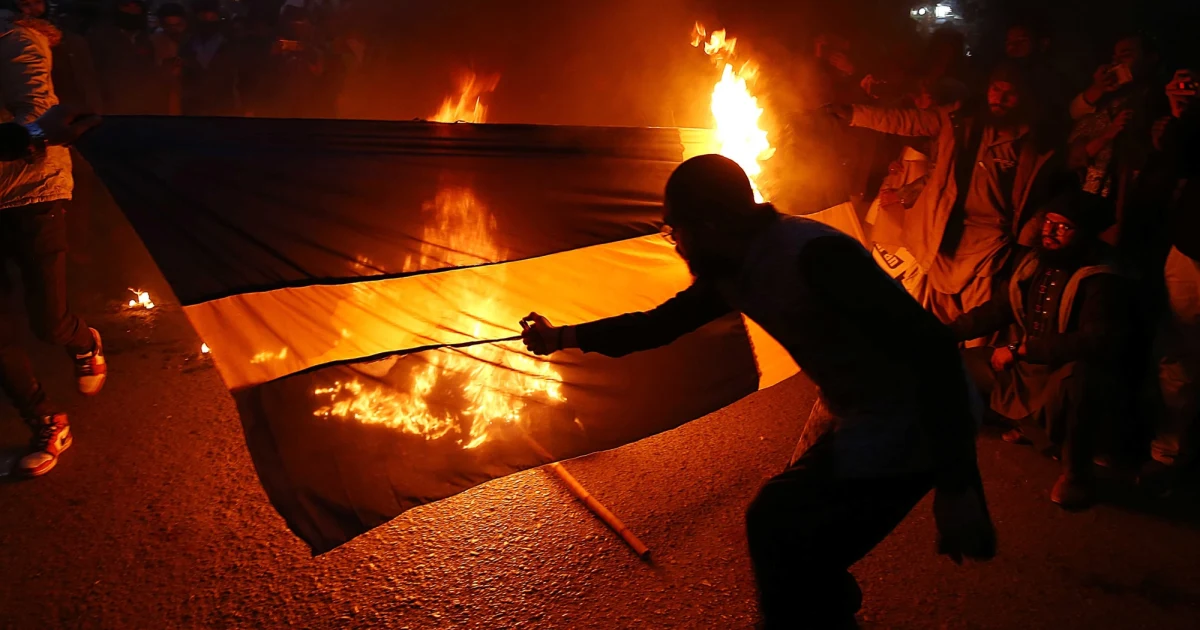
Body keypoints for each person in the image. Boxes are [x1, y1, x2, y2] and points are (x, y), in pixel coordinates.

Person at [520, 155, 996, 628]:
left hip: (916, 416)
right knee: (799, 540)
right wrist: (561, 336)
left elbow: (932, 350)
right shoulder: (734, 267)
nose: (676, 245)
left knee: (777, 521)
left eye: (676, 231)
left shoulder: (812, 255)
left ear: (710, 223)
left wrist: (958, 488)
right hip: (859, 410)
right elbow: (656, 327)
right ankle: (819, 605)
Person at [830, 62, 1059, 328]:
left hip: (988, 246)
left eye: (1011, 94)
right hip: (944, 234)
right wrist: (854, 114)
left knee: (976, 324)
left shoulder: (1029, 142)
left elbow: (1032, 200)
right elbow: (905, 120)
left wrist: (1025, 248)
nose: (1001, 99)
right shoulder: (958, 122)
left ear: (1023, 98)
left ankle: (971, 365)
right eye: (996, 89)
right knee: (934, 322)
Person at [950, 191, 1128, 509]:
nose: (1050, 231)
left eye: (1064, 227)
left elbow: (1094, 341)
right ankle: (1028, 426)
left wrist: (1019, 349)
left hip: (1063, 376)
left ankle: (1076, 473)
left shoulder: (1101, 280)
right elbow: (999, 309)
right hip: (1026, 371)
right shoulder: (1035, 262)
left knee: (1080, 379)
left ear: (1084, 234)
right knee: (955, 364)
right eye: (1048, 222)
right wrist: (944, 333)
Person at [1, 9, 107, 478]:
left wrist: (32, 133)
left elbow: (40, 111)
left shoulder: (14, 38)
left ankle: (82, 341)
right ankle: (47, 422)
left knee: (48, 320)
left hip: (30, 189)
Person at [1140, 70, 1200, 497]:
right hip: (1190, 248)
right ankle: (1170, 453)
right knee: (1177, 352)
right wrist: (1182, 115)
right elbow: (1176, 164)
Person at [1067, 33, 1166, 249]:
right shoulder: (1110, 95)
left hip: (1133, 203)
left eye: (1127, 55)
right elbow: (1076, 121)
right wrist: (1099, 89)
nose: (1118, 61)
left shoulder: (1161, 97)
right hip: (1092, 193)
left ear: (1151, 58)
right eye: (1115, 56)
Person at [87, 0, 171, 114]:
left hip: (145, 105)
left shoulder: (144, 39)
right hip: (113, 107)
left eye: (136, 6)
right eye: (126, 6)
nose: (132, 10)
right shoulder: (99, 38)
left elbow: (147, 70)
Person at [150, 2, 188, 115]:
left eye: (177, 25)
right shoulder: (154, 41)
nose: (174, 29)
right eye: (169, 26)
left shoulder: (191, 41)